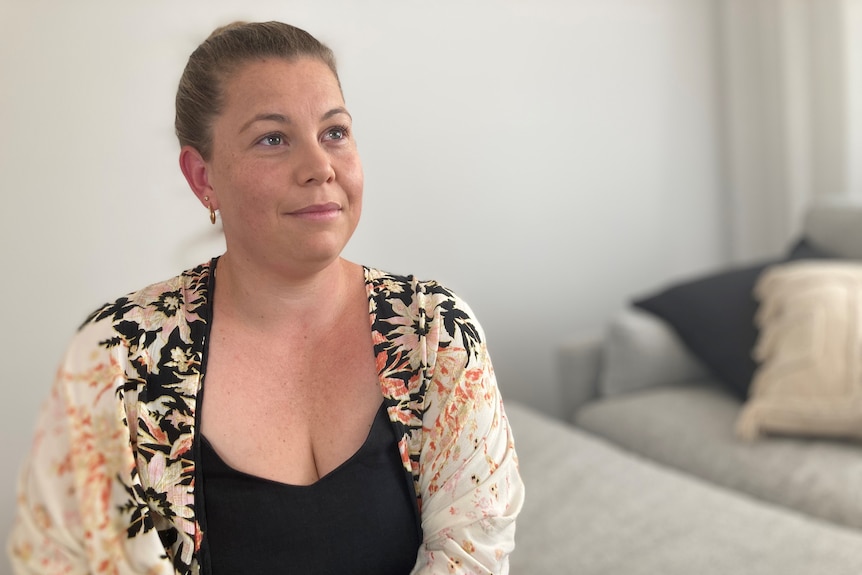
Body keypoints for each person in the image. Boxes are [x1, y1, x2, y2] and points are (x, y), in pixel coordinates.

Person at [8, 20, 524, 575]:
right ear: (202, 176)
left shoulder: (434, 331)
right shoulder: (115, 357)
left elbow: (472, 554)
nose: (320, 167)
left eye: (334, 132)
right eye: (272, 139)